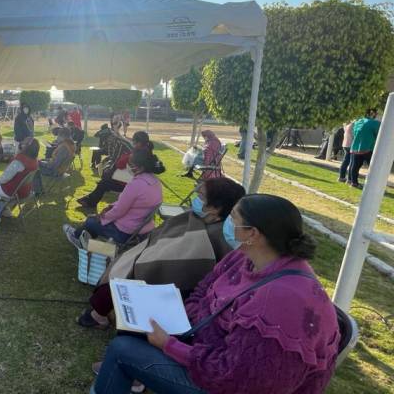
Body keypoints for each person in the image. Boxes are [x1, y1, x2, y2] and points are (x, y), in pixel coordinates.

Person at [91, 194, 340, 394]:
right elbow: (204, 289)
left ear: (253, 233)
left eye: (233, 218)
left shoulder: (277, 302)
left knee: (122, 350)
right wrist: (177, 317)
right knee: (133, 326)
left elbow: (236, 377)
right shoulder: (243, 257)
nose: (227, 223)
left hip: (225, 382)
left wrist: (169, 344)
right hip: (205, 345)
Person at [78, 178, 246, 330]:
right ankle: (102, 311)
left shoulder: (218, 235)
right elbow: (160, 239)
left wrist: (148, 262)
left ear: (216, 208)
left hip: (170, 282)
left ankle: (99, 316)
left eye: (201, 196)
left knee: (129, 273)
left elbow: (187, 264)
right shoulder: (193, 216)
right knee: (126, 267)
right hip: (150, 255)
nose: (196, 199)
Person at [64, 149, 165, 247]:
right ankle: (88, 242)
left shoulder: (136, 184)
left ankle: (77, 237)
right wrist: (110, 206)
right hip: (141, 230)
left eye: (131, 164)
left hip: (125, 232)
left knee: (91, 221)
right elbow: (126, 204)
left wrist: (102, 217)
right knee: (94, 222)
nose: (128, 166)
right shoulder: (155, 182)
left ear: (141, 167)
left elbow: (119, 211)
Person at [77, 131, 149, 209]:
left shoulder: (138, 154)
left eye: (134, 141)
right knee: (105, 181)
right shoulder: (145, 152)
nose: (132, 143)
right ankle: (90, 201)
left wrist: (117, 167)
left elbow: (121, 164)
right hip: (132, 180)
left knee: (105, 180)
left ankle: (90, 201)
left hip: (131, 183)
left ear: (138, 142)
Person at [0, 139, 40, 215]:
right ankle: (3, 209)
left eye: (23, 143)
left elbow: (5, 178)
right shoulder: (35, 161)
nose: (21, 144)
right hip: (25, 191)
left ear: (25, 147)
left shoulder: (20, 161)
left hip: (12, 192)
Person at [348, 108, 380, 188]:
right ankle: (373, 185)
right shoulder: (375, 123)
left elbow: (354, 133)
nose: (376, 115)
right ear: (372, 113)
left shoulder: (358, 122)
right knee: (373, 168)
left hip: (355, 147)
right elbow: (379, 134)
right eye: (376, 113)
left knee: (355, 166)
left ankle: (354, 183)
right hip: (368, 148)